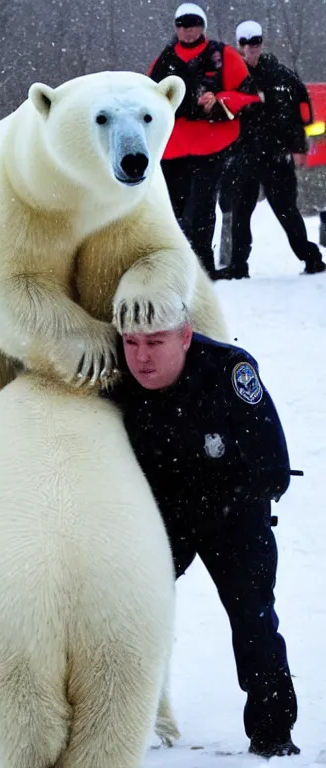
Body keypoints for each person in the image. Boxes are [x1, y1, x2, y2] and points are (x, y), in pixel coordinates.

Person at [104, 300, 300, 758]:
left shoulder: (228, 372)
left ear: (186, 337)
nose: (142, 357)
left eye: (155, 343)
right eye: (131, 343)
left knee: (254, 619)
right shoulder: (116, 380)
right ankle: (114, 723)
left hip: (233, 513)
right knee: (119, 610)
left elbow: (273, 467)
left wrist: (223, 495)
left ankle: (274, 735)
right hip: (160, 516)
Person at [147, 3, 260, 278]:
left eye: (194, 24)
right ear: (176, 28)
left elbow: (250, 97)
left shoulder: (223, 55)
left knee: (201, 209)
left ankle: (203, 266)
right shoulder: (164, 60)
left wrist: (219, 101)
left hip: (211, 146)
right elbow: (148, 99)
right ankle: (178, 267)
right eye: (183, 25)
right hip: (172, 150)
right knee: (174, 212)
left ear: (203, 26)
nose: (188, 30)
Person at [216, 20, 326, 279]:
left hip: (277, 158)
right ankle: (237, 266)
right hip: (243, 157)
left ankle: (312, 259)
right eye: (245, 43)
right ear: (238, 45)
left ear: (261, 43)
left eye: (255, 42)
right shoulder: (230, 76)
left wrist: (299, 148)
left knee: (288, 212)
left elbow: (303, 112)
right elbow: (219, 114)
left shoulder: (282, 75)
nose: (250, 48)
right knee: (240, 214)